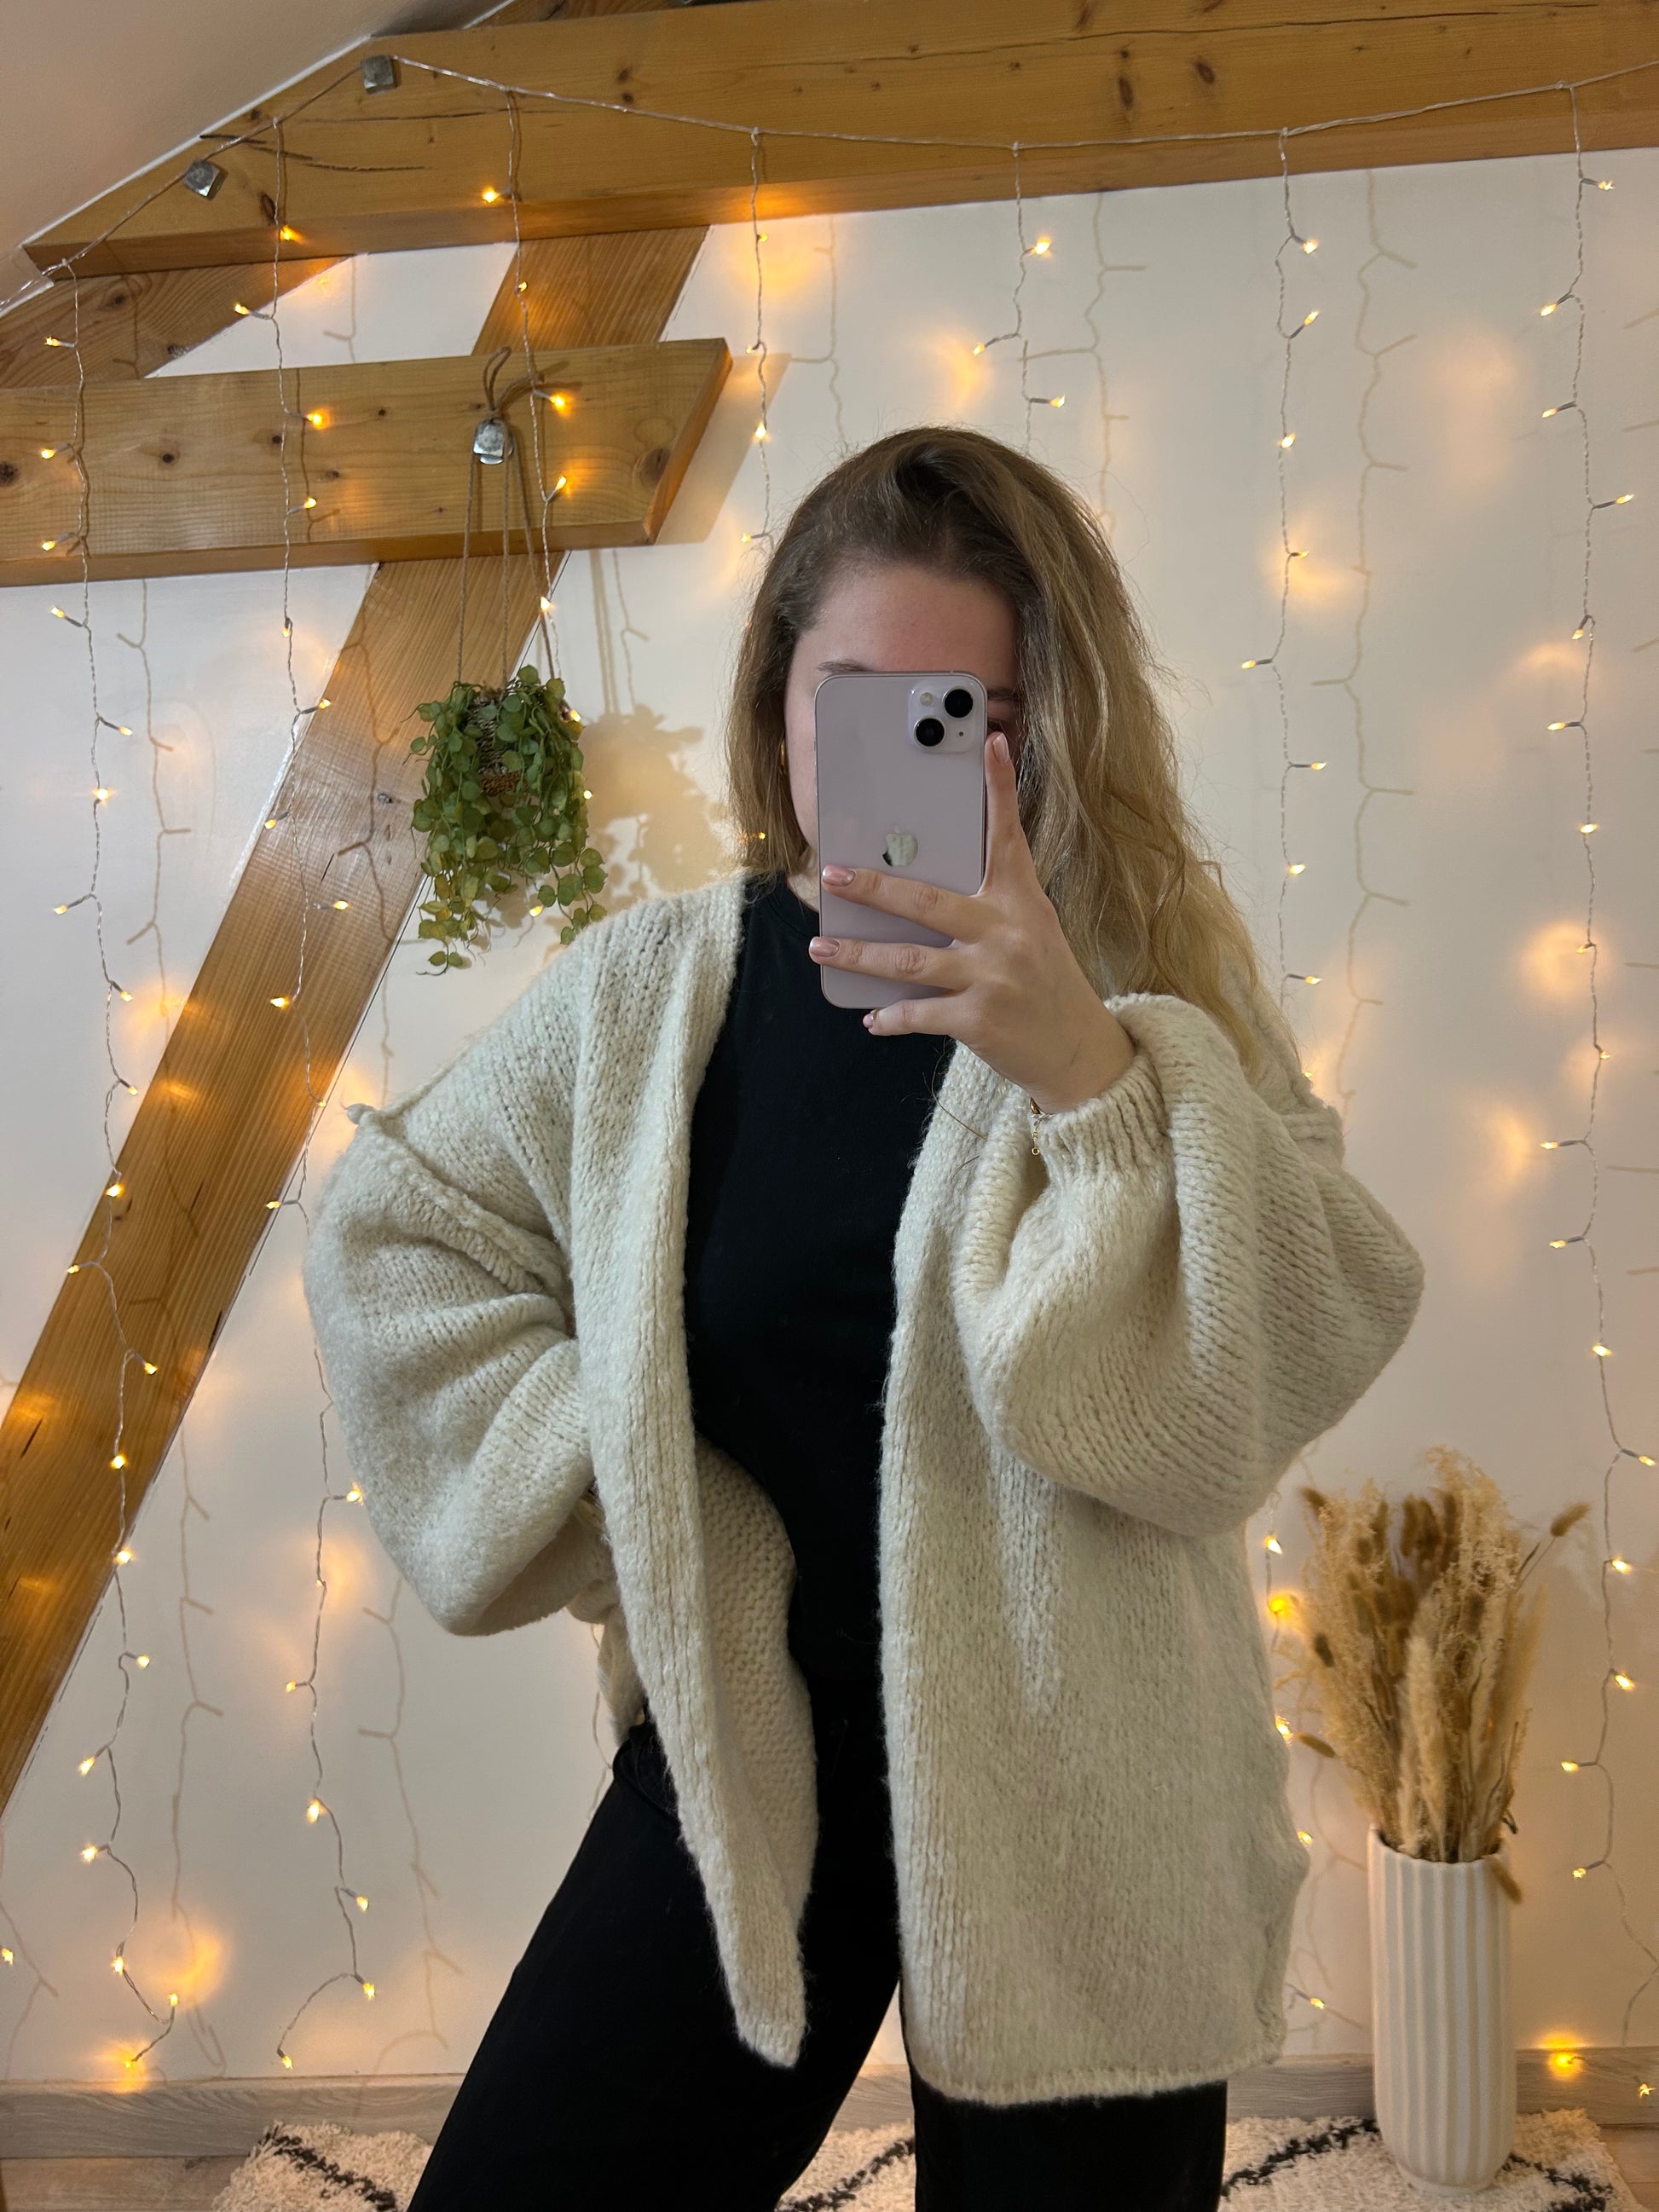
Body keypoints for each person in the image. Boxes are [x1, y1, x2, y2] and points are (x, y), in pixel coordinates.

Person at [302, 425, 1426, 2210]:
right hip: (751, 1746)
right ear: (776, 708)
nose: (914, 753)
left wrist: (1091, 1079)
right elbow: (398, 1226)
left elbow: (1254, 1377)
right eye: (861, 701)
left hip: (1093, 1783)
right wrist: (617, 1468)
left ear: (1045, 730)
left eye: (970, 711)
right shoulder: (656, 994)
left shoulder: (1147, 983)